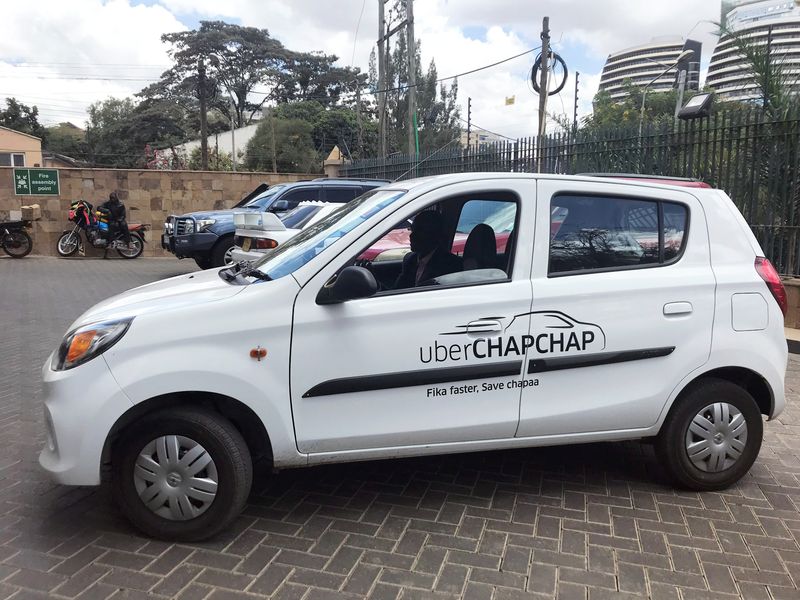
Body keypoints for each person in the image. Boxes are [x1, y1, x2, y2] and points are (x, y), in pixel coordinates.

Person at [393, 210, 462, 289]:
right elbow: (397, 290)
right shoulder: (410, 260)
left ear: (435, 234)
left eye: (419, 231)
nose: (411, 236)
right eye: (412, 230)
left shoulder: (452, 265)